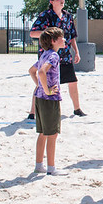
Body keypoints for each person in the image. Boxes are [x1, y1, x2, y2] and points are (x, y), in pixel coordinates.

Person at [29, 0, 85, 118]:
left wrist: (76, 51)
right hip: (48, 55)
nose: (61, 0)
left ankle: (77, 109)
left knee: (72, 81)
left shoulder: (68, 16)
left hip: (65, 55)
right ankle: (32, 112)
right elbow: (33, 33)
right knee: (43, 83)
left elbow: (71, 36)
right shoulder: (45, 15)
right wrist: (49, 34)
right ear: (51, 2)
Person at [29, 27, 67, 176]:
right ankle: (51, 168)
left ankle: (39, 165)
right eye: (61, 37)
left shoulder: (44, 54)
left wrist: (39, 87)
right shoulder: (53, 56)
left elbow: (31, 71)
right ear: (53, 41)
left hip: (39, 98)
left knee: (43, 133)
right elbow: (40, 71)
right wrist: (47, 89)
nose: (64, 40)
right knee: (52, 134)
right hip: (50, 99)